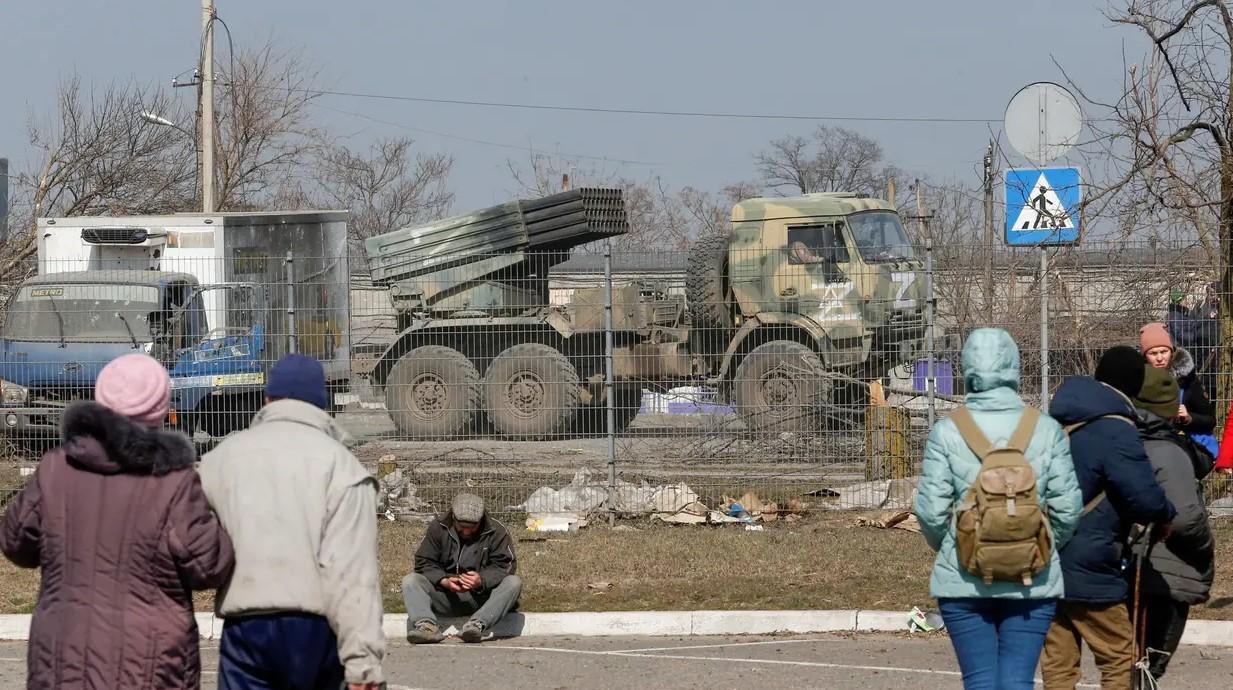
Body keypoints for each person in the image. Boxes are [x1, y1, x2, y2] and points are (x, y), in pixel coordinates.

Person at [0, 353, 234, 689]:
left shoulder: (55, 469)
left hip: (65, 657)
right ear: (159, 407)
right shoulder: (174, 481)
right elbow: (208, 566)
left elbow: (15, 544)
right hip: (152, 662)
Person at [200, 354, 385, 690]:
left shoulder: (219, 460)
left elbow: (200, 547)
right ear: (321, 404)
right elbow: (352, 572)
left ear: (268, 399)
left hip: (244, 624)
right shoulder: (342, 467)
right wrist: (363, 663)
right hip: (316, 628)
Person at [914, 328, 1082, 690]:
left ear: (967, 368)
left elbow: (930, 512)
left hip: (963, 580)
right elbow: (1068, 509)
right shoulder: (1047, 429)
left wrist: (957, 544)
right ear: (1015, 367)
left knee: (980, 681)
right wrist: (1040, 545)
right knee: (1018, 680)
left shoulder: (946, 432)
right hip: (1032, 578)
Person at [1041, 346, 1176, 690]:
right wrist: (1165, 516)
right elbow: (1143, 495)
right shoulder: (1116, 428)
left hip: (1045, 555)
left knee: (1059, 662)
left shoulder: (1056, 418)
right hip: (1090, 559)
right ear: (1134, 383)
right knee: (1118, 657)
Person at [1128, 365, 1215, 682]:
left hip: (1121, 569)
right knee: (1148, 666)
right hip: (1165, 575)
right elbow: (1186, 521)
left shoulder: (1119, 442)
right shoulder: (1170, 452)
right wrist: (1206, 550)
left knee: (1129, 662)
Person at [403, 492, 521, 644]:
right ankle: (427, 627)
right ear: (453, 517)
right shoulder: (438, 528)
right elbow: (423, 561)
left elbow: (505, 565)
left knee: (513, 582)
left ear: (481, 520)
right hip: (446, 596)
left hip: (483, 598)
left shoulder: (497, 531)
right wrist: (443, 580)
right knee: (411, 580)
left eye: (472, 527)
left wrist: (481, 580)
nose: (466, 531)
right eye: (462, 526)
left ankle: (476, 626)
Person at [1140, 322, 1217, 458]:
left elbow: (1210, 420)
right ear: (1145, 355)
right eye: (1153, 353)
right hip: (1147, 451)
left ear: (1172, 351)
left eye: (1164, 352)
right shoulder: (1137, 381)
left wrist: (1188, 418)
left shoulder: (1187, 380)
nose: (1159, 358)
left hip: (1181, 452)